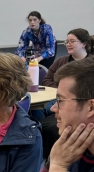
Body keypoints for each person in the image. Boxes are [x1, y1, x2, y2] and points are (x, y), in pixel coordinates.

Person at [39, 29, 93, 159]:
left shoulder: (91, 65)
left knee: (50, 124)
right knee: (42, 120)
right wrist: (63, 91)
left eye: (72, 41)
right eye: (66, 42)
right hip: (58, 100)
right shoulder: (61, 61)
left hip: (75, 104)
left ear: (84, 43)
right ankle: (47, 157)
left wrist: (66, 93)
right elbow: (46, 80)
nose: (68, 44)